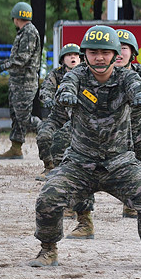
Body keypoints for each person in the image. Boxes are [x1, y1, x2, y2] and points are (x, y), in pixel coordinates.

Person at [28, 25, 141, 270]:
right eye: (93, 52)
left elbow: (137, 87)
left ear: (115, 55)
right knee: (48, 198)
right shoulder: (76, 75)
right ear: (85, 54)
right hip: (79, 163)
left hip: (120, 164)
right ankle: (48, 249)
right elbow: (67, 86)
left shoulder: (126, 76)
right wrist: (64, 97)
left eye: (105, 52)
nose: (99, 57)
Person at [65, 29, 141, 242]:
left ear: (133, 53)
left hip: (138, 136)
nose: (119, 53)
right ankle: (84, 221)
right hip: (105, 140)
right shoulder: (88, 74)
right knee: (79, 163)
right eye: (115, 48)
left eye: (124, 48)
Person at [0, 2, 41, 159]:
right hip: (17, 82)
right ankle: (16, 148)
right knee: (16, 116)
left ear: (16, 17)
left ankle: (50, 131)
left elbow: (21, 59)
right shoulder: (23, 32)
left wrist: (1, 67)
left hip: (25, 83)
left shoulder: (29, 32)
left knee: (24, 118)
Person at [35, 43, 81, 179]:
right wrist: (47, 99)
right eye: (69, 55)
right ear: (62, 60)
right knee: (43, 136)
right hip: (58, 116)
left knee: (62, 139)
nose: (73, 57)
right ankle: (50, 167)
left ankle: (65, 169)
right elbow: (45, 90)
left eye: (76, 55)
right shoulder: (56, 74)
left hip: (78, 117)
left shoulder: (86, 74)